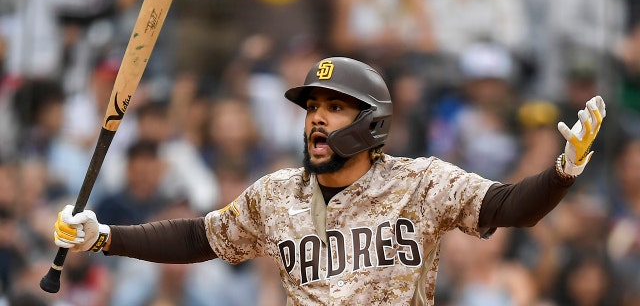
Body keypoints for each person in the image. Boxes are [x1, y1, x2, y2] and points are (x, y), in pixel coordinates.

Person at [53, 57, 606, 305]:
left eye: (335, 107)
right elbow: (200, 238)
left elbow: (512, 208)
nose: (316, 117)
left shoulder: (421, 184)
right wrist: (105, 236)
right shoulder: (276, 195)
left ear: (372, 123)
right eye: (311, 106)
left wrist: (564, 171)